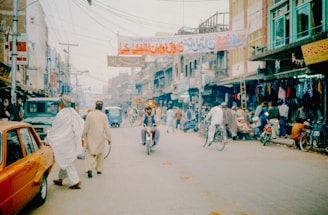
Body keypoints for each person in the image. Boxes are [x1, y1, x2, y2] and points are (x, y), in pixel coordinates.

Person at [45, 95, 84, 189]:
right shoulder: (73, 113)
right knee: (66, 160)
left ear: (61, 104)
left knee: (67, 161)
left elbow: (55, 130)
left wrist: (47, 139)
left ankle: (75, 181)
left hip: (64, 142)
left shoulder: (61, 114)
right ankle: (60, 179)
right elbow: (80, 125)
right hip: (71, 141)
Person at [83, 100, 111, 178]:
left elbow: (85, 128)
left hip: (90, 137)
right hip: (100, 138)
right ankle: (99, 169)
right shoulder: (104, 116)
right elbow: (107, 129)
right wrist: (109, 138)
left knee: (90, 154)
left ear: (95, 106)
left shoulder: (90, 115)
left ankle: (89, 169)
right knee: (100, 153)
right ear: (102, 107)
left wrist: (84, 135)